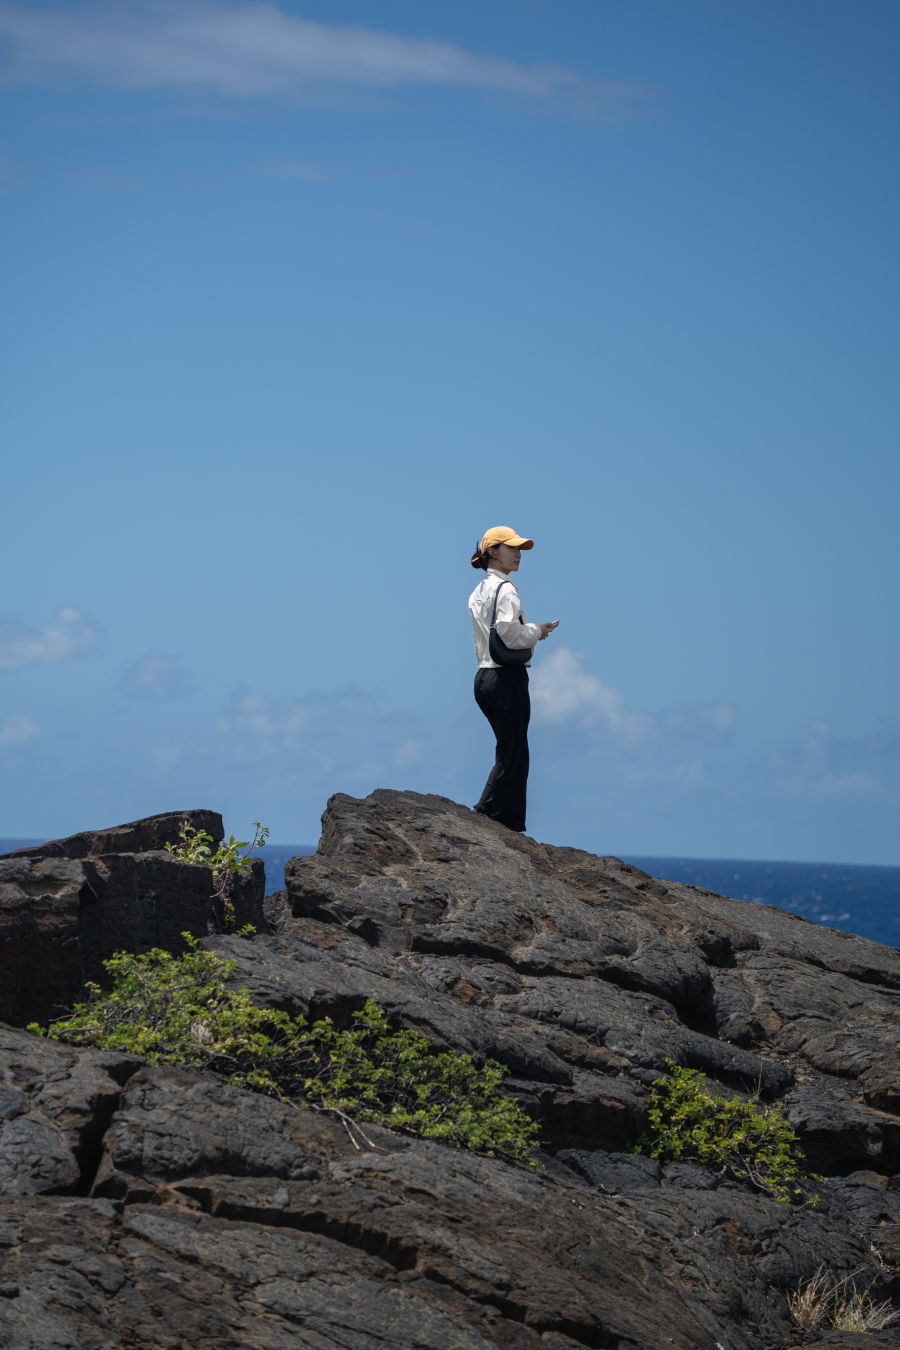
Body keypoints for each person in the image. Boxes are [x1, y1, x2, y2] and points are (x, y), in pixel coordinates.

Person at [468, 526, 557, 833]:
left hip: (483, 676)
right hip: (506, 677)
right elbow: (508, 632)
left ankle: (491, 812)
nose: (518, 554)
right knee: (515, 752)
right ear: (493, 551)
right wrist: (536, 631)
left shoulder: (478, 591)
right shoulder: (506, 589)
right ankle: (499, 819)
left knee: (508, 749)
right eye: (512, 548)